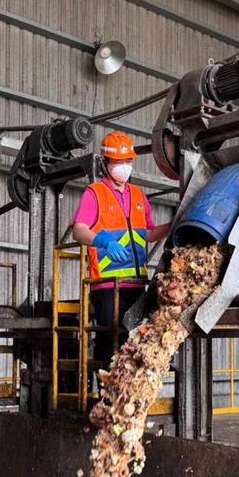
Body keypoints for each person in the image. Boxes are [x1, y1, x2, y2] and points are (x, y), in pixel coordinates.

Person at [71, 130, 170, 369]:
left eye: (127, 161)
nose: (124, 166)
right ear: (106, 164)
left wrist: (171, 225)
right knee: (109, 342)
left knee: (137, 343)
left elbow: (147, 234)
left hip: (137, 283)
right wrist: (104, 242)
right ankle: (107, 398)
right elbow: (79, 230)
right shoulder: (95, 193)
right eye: (118, 162)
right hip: (108, 284)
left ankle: (130, 395)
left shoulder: (138, 195)